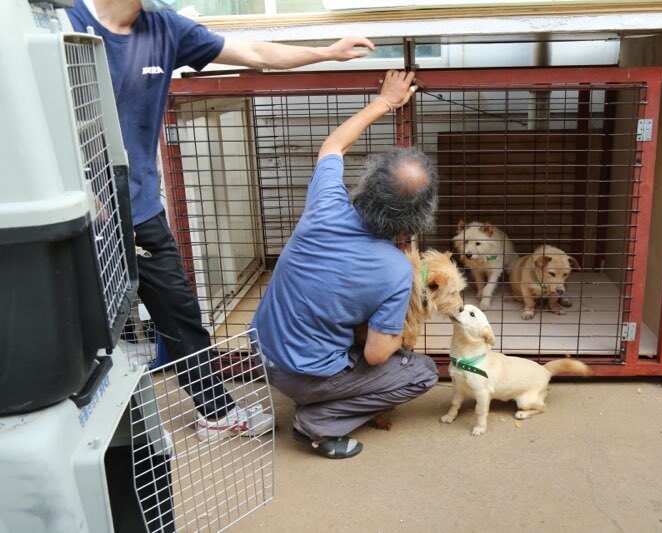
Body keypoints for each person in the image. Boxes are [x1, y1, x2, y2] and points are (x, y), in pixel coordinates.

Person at [65, 0, 375, 441]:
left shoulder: (166, 28)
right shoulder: (62, 22)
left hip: (138, 208)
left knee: (179, 311)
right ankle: (77, 421)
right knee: (79, 316)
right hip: (73, 210)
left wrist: (326, 51)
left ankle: (216, 411)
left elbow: (255, 54)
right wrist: (81, 188)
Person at [250, 70, 440, 459]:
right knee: (422, 372)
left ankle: (316, 396)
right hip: (303, 376)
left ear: (368, 183)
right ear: (418, 219)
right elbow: (374, 356)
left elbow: (334, 144)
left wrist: (385, 102)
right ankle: (318, 423)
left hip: (259, 349)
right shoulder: (395, 270)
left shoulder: (325, 205)